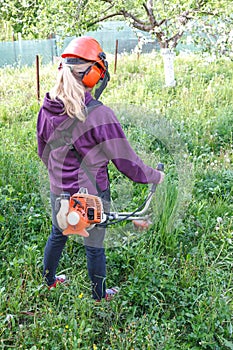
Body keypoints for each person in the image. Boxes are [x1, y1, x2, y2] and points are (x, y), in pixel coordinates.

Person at [37, 36, 165, 301]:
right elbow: (127, 163)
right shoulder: (98, 114)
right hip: (91, 193)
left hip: (58, 189)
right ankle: (99, 296)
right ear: (93, 74)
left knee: (58, 233)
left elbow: (43, 151)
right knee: (94, 246)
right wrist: (155, 175)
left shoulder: (47, 106)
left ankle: (48, 281)